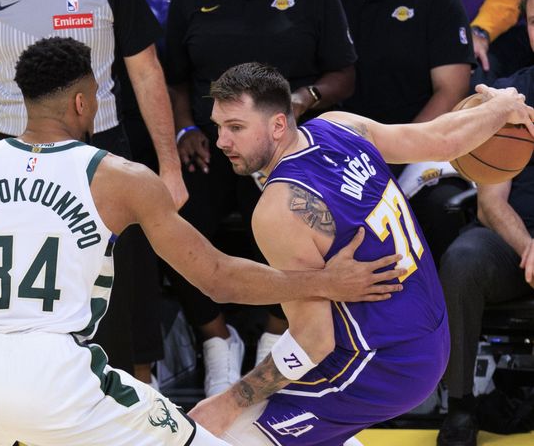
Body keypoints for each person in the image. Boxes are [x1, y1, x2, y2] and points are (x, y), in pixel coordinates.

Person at [0, 38, 408, 446]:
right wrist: (324, 281)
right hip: (58, 377)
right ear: (83, 102)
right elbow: (218, 278)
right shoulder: (120, 177)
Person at [186, 62, 534, 446]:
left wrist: (229, 401)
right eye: (219, 126)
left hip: (384, 365)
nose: (221, 141)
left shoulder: (278, 210)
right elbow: (440, 139)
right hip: (432, 335)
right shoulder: (338, 126)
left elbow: (313, 341)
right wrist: (500, 107)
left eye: (235, 127)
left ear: (278, 125)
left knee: (225, 433)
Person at [0, 0, 188, 374]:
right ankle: (21, 377)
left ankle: (138, 382)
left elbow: (146, 71)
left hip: (99, 142)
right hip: (10, 149)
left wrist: (170, 166)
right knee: (24, 273)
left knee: (123, 275)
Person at [165, 0, 358, 397]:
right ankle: (217, 340)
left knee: (284, 220)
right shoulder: (188, 3)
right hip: (213, 140)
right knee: (173, 219)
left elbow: (344, 76)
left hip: (286, 139)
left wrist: (305, 98)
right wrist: (184, 128)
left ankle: (277, 335)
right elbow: (176, 79)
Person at [437, 0, 534, 444]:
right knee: (463, 260)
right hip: (513, 244)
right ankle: (460, 408)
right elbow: (490, 204)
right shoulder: (508, 97)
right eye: (533, 21)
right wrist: (528, 247)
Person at [341, 0, 475, 267]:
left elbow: (451, 91)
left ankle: (442, 292)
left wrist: (395, 150)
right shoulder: (331, 4)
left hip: (423, 143)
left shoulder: (440, 4)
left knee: (443, 205)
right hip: (346, 144)